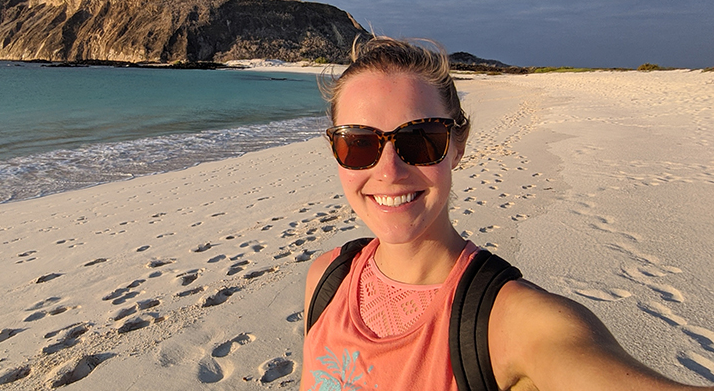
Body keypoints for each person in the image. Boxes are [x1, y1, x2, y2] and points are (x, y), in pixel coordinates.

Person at [300, 37, 713, 390]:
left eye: (421, 140)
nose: (389, 171)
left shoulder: (510, 321)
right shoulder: (326, 280)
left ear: (457, 146)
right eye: (358, 143)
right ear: (334, 149)